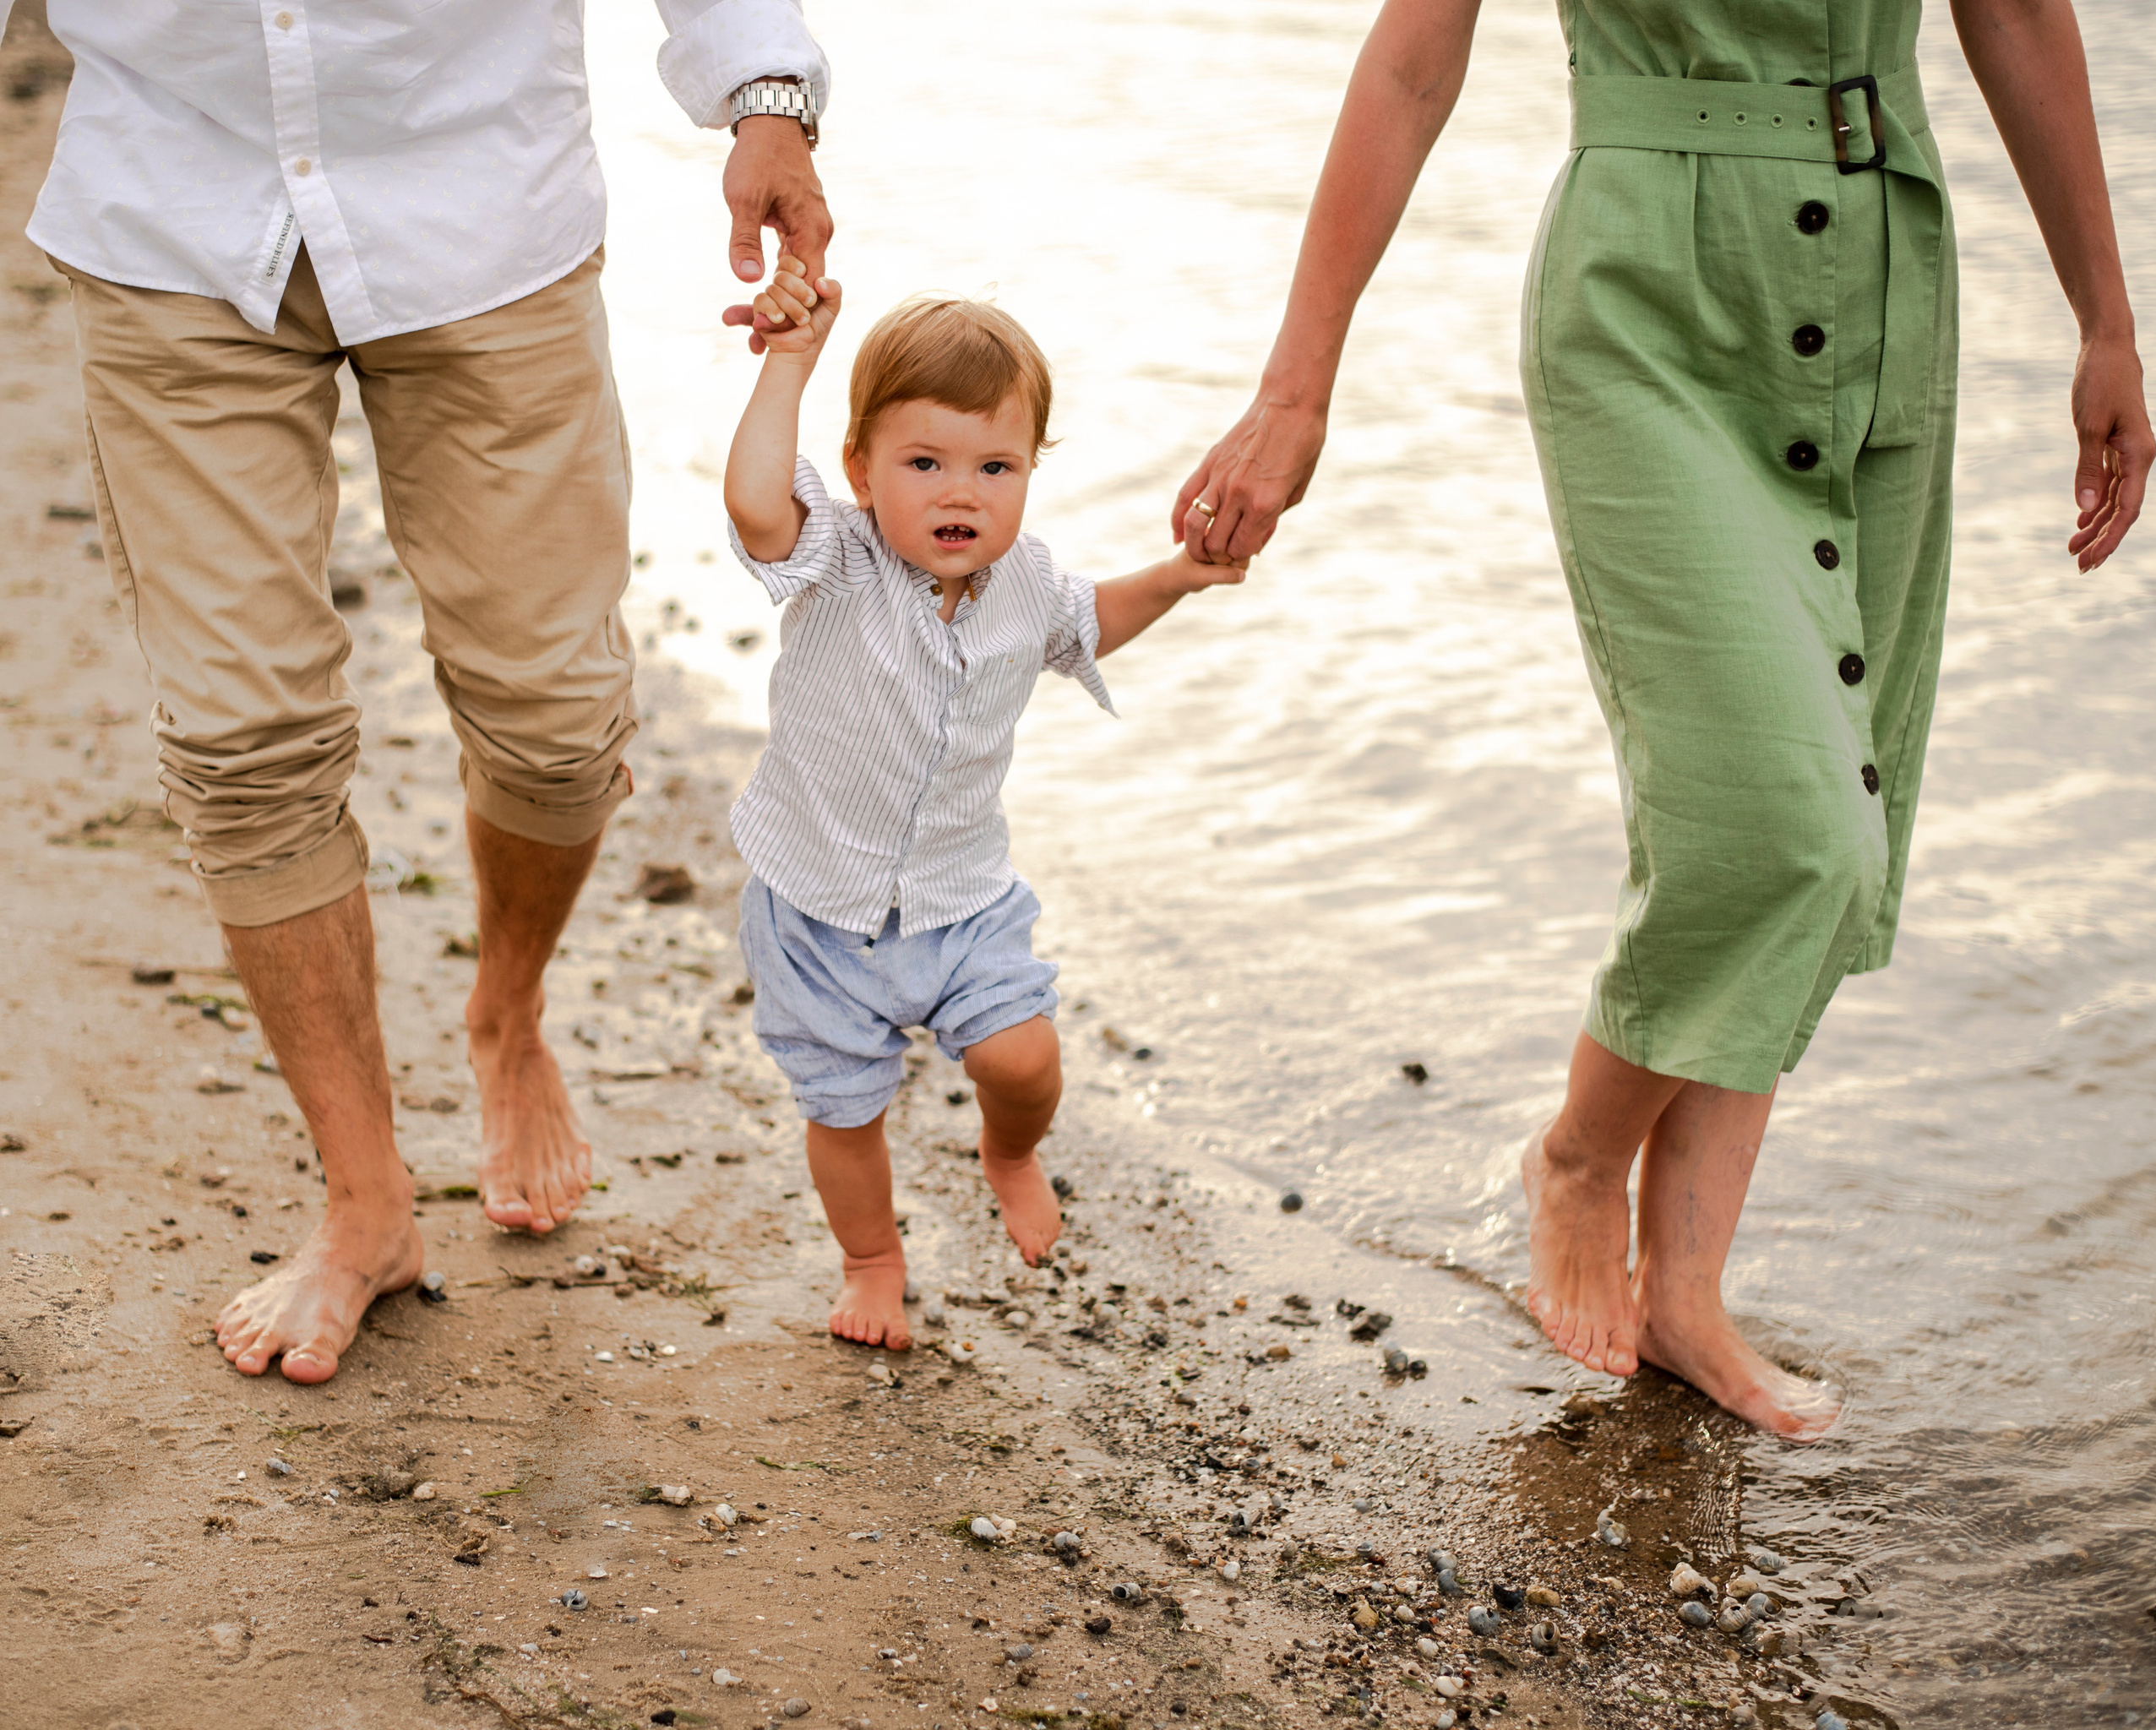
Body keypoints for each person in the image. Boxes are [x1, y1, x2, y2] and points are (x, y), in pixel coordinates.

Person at [1174, 0, 2152, 1436]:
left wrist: (2107, 321)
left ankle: (1686, 1287)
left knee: (1840, 811)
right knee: (1784, 827)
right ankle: (1580, 1155)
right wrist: (1295, 385)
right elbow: (1410, 54)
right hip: (1648, 310)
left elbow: (2013, 11)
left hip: (1885, 288)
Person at [17, 0, 835, 1385]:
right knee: (240, 742)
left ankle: (504, 1012)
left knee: (560, 724)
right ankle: (365, 1200)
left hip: (481, 206)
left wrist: (764, 94)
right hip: (171, 206)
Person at [721, 264, 1248, 1348]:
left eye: (994, 466)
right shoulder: (839, 559)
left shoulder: (1025, 584)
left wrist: (1182, 576)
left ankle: (1006, 1149)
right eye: (925, 463)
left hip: (961, 899)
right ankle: (873, 1260)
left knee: (1023, 1059)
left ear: (1030, 474)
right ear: (862, 470)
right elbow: (754, 503)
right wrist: (790, 362)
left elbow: (1088, 623)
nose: (961, 493)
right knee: (845, 1108)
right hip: (818, 905)